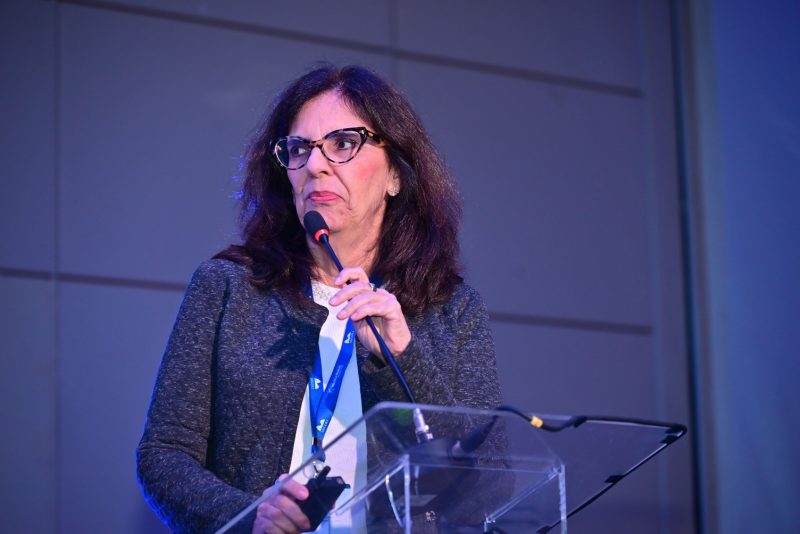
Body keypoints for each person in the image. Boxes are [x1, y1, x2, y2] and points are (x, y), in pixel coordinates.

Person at [136, 64, 503, 534]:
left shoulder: (450, 309)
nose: (314, 165)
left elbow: (489, 483)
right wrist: (249, 516)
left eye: (344, 144)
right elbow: (164, 454)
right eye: (299, 149)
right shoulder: (228, 287)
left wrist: (402, 360)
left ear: (395, 174)